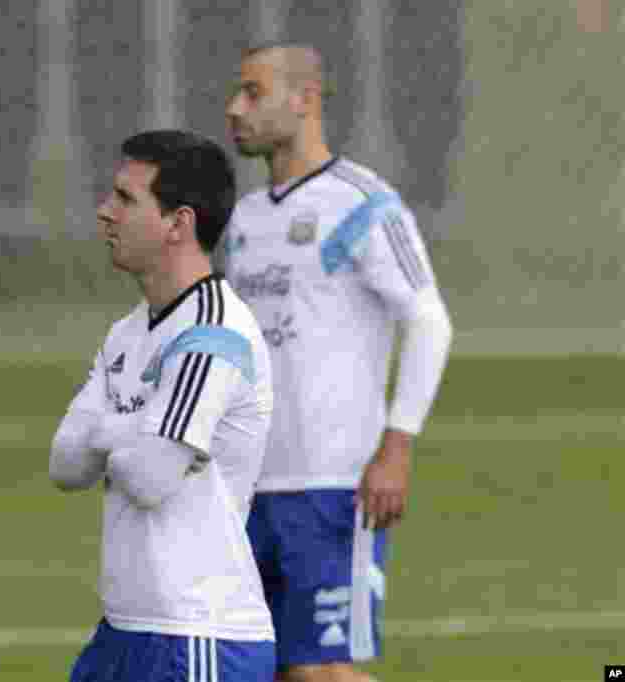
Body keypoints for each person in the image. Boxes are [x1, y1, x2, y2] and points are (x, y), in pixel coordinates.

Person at [222, 44, 454, 682]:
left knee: (320, 672)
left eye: (252, 92)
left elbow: (429, 320)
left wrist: (397, 445)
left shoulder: (363, 204)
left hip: (332, 485)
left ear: (304, 100)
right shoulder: (244, 220)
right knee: (260, 670)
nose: (234, 108)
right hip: (248, 489)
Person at [49, 130, 277, 682]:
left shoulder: (213, 333)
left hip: (196, 636)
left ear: (179, 223)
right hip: (124, 630)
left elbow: (150, 477)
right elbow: (65, 465)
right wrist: (134, 430)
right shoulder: (126, 334)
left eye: (126, 199)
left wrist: (105, 432)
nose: (106, 212)